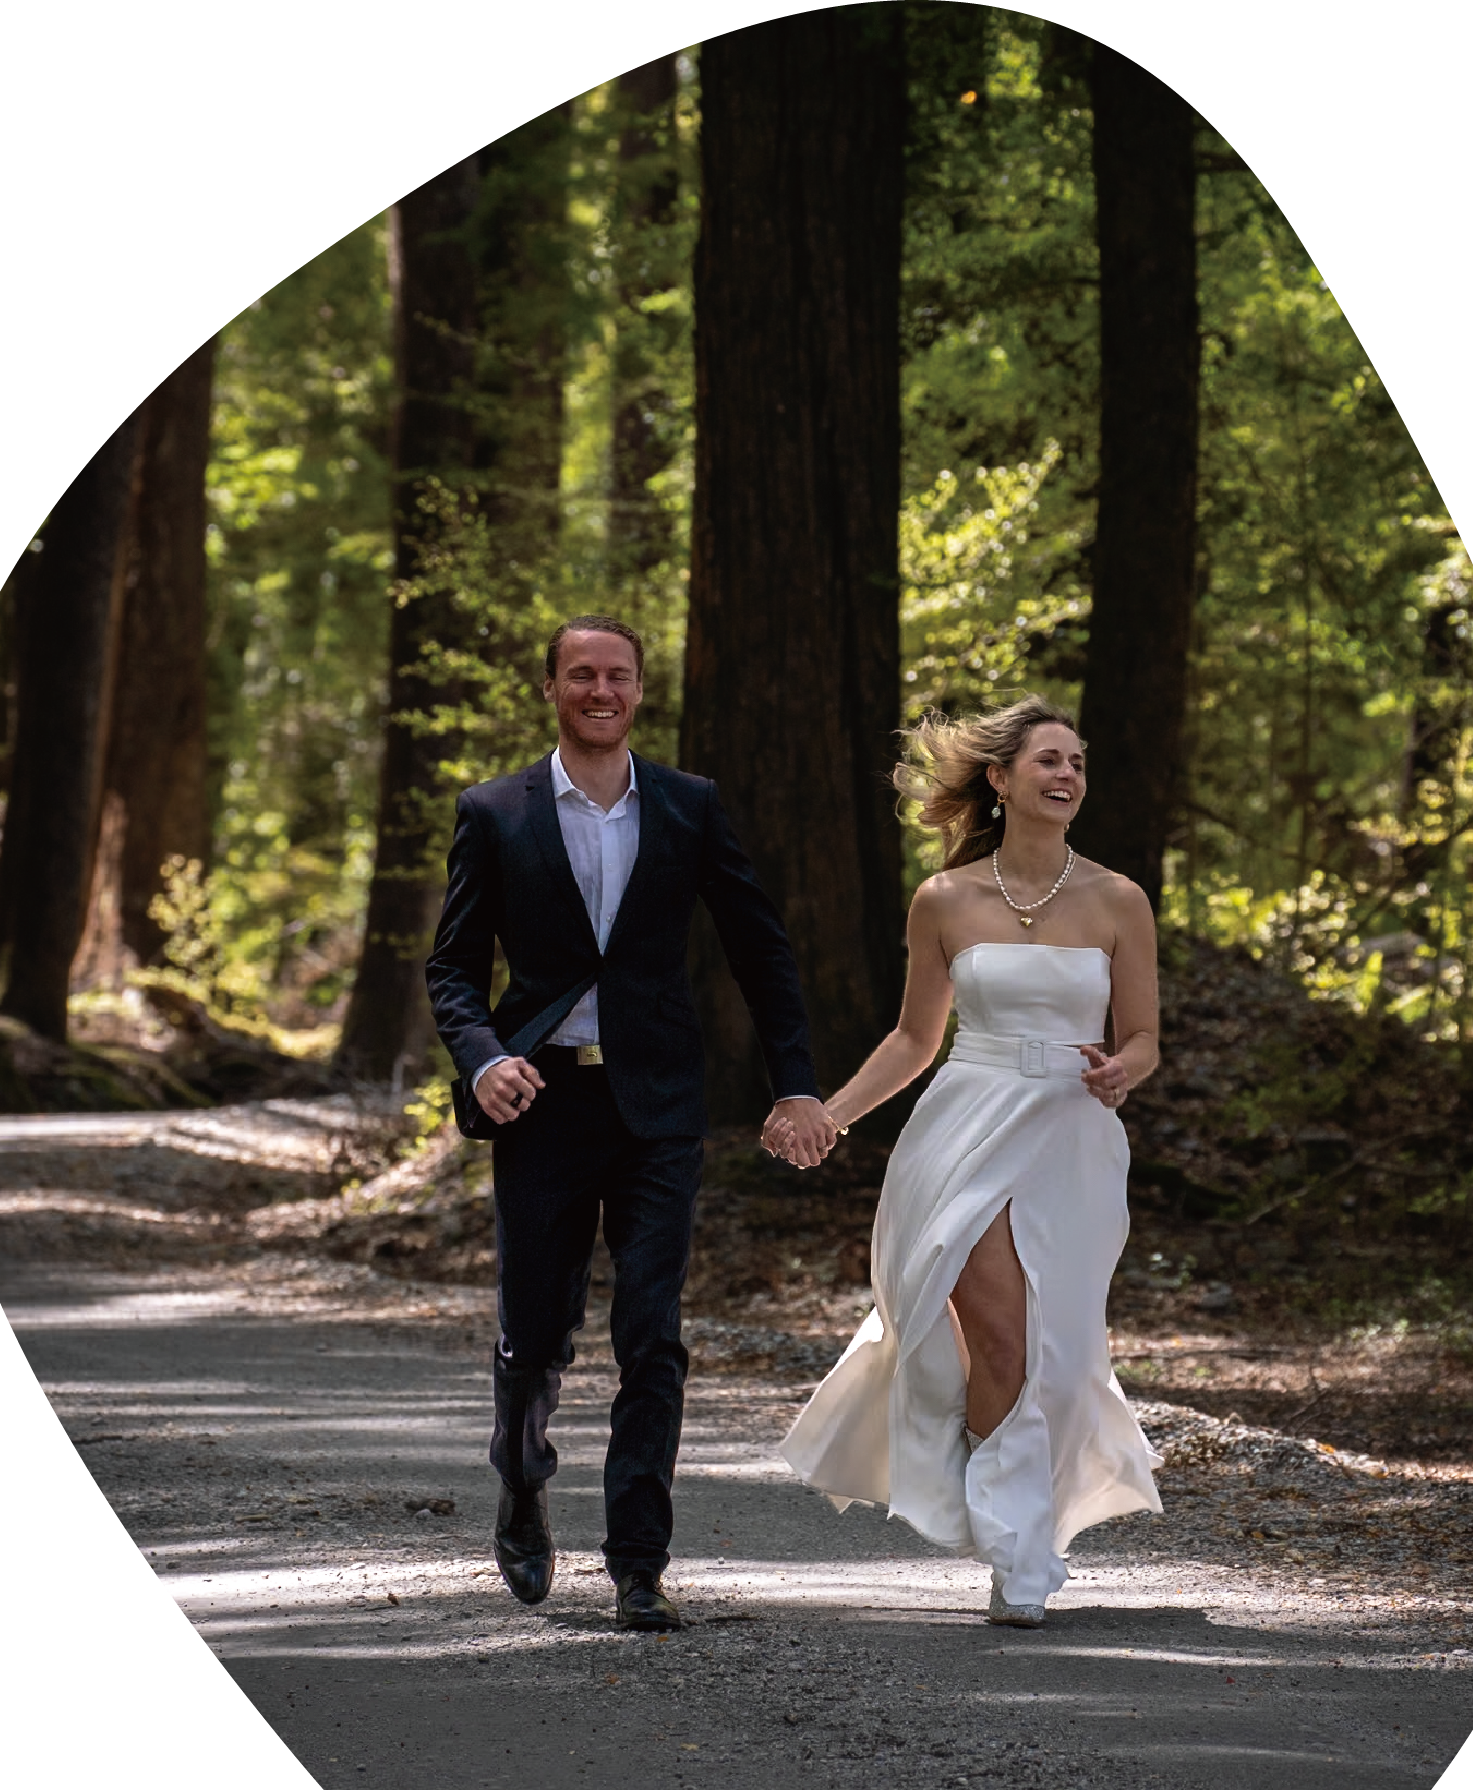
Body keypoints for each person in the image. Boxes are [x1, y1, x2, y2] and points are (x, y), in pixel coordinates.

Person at [426, 615, 836, 1633]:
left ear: (640, 690)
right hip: (542, 1101)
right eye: (580, 674)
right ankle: (521, 1482)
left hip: (658, 1107)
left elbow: (761, 949)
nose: (598, 689)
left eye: (616, 675)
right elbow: (452, 970)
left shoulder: (689, 807)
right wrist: (484, 1061)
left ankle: (637, 1563)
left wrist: (796, 1084)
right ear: (553, 688)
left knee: (650, 1333)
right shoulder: (494, 812)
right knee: (534, 1337)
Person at [779, 696, 1164, 1624]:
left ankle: (1013, 1501)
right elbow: (916, 1040)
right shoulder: (946, 900)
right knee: (1000, 1338)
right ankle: (1014, 1549)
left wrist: (1123, 1070)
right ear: (999, 779)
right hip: (964, 1129)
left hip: (1072, 1136)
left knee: (1062, 1358)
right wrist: (829, 1116)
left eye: (1076, 761)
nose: (1067, 774)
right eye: (1047, 760)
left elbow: (1145, 1036)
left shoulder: (1118, 898)